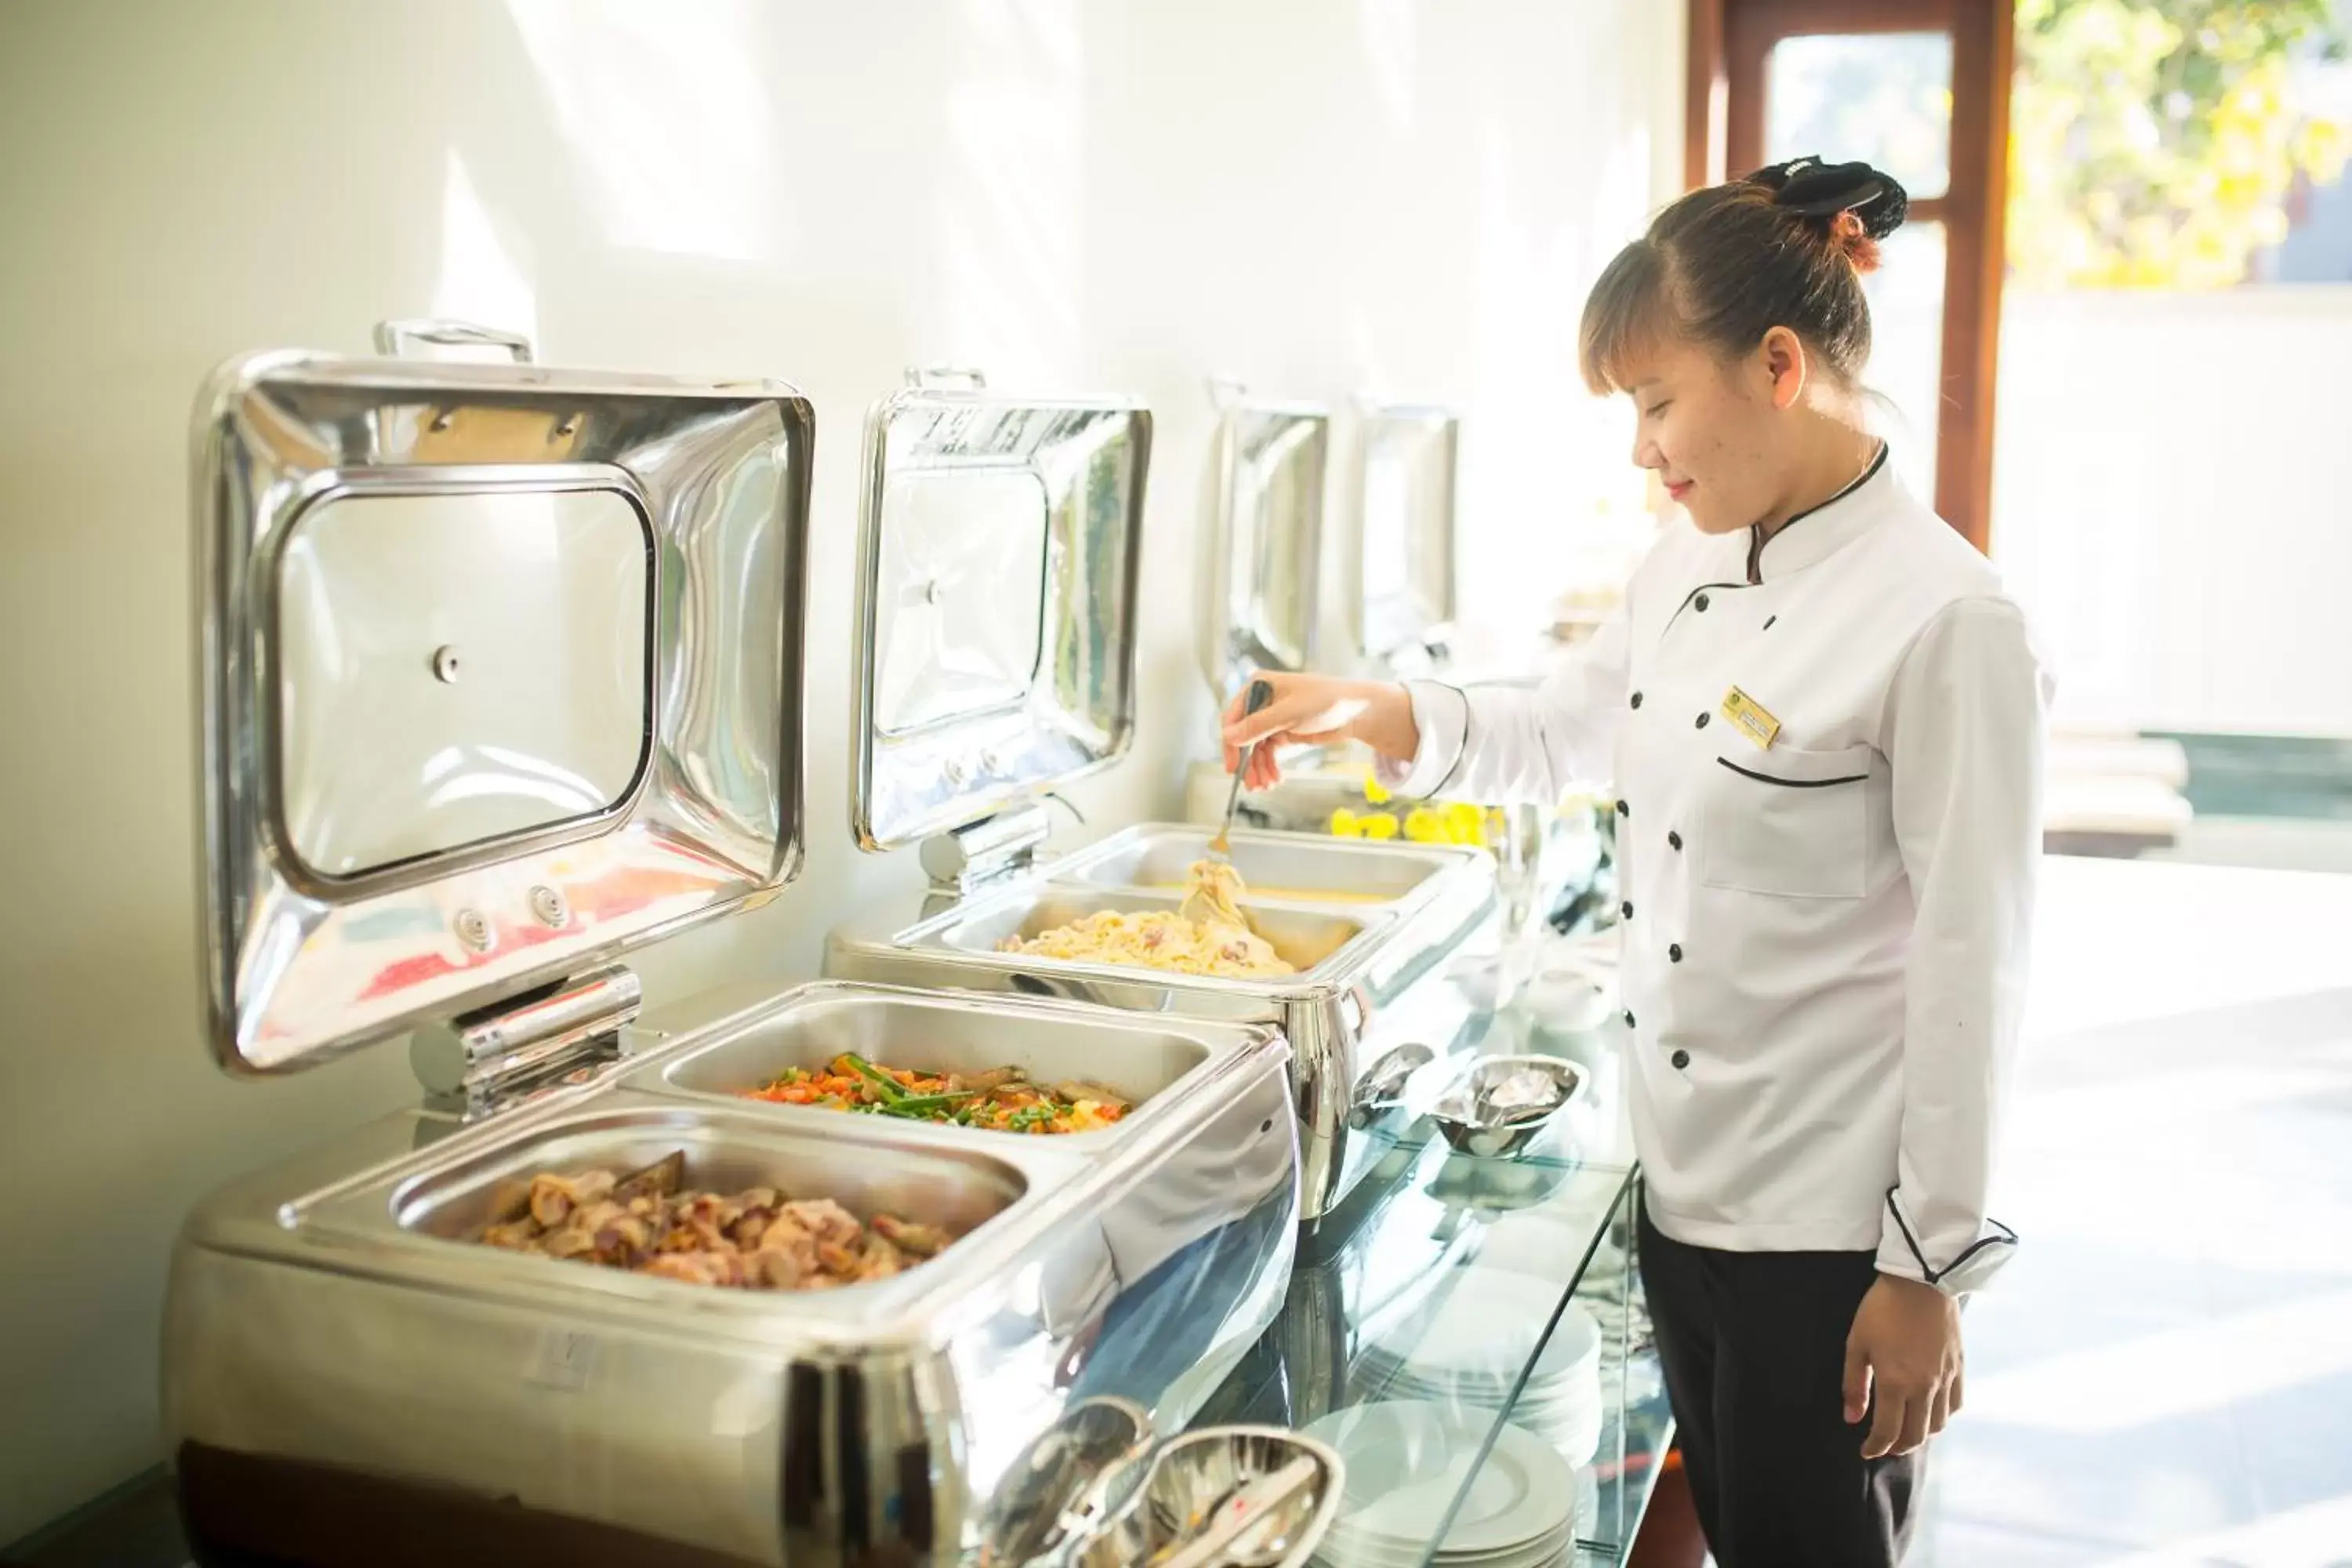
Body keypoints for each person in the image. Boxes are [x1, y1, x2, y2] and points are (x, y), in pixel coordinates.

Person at [1221, 156, 2050, 1567]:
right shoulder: (1686, 561)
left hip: (1829, 1238)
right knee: (1735, 1531)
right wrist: (1378, 710)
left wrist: (1930, 1274)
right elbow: (1564, 729)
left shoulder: (1946, 619)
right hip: (1679, 1196)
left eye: (1659, 404)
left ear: (1778, 367)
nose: (1643, 451)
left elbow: (1978, 969)